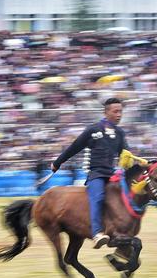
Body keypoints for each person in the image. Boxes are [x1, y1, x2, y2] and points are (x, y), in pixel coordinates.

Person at [51, 97, 129, 249]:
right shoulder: (93, 130)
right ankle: (97, 233)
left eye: (121, 111)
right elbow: (74, 147)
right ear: (106, 112)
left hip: (114, 176)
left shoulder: (120, 133)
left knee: (127, 198)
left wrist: (124, 167)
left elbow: (126, 154)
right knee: (98, 197)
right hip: (97, 175)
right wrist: (57, 163)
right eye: (115, 111)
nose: (119, 114)